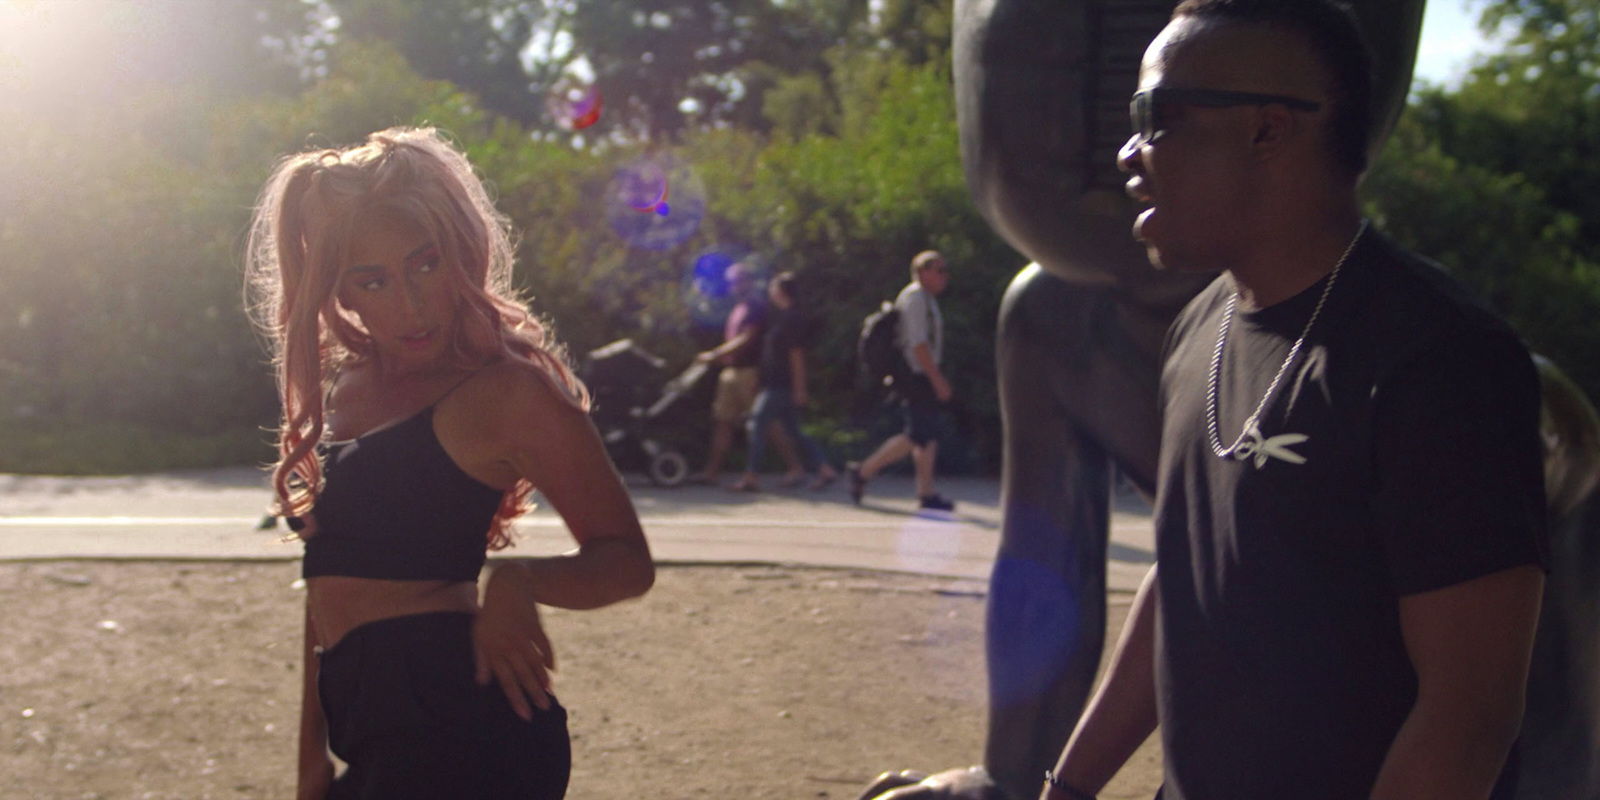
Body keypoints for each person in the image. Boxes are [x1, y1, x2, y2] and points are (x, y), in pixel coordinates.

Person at [1040, 2, 1548, 799]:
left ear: (1270, 131)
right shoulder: (1197, 328)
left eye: (1157, 115)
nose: (1129, 150)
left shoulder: (1443, 361)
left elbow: (1469, 714)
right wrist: (1067, 788)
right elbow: (1182, 577)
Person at [245, 127, 655, 800]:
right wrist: (310, 765)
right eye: (373, 280)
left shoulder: (509, 390)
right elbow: (323, 593)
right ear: (341, 292)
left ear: (460, 254)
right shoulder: (346, 388)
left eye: (426, 265)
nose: (408, 304)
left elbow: (627, 562)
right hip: (368, 734)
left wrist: (518, 584)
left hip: (468, 734)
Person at [848, 250, 956, 512]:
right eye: (939, 270)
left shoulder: (926, 299)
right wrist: (937, 378)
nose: (945, 276)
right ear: (922, 272)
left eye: (945, 270)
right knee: (918, 434)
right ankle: (863, 471)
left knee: (926, 434)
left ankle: (926, 493)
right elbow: (918, 344)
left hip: (921, 372)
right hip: (914, 373)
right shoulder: (915, 299)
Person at [690, 262, 804, 487]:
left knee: (767, 423)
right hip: (730, 372)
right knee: (723, 421)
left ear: (749, 282)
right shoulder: (738, 308)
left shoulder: (755, 305)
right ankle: (711, 472)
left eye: (739, 281)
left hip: (749, 373)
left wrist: (715, 354)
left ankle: (795, 467)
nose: (735, 285)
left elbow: (747, 338)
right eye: (732, 282)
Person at [729, 272, 840, 492]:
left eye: (772, 288)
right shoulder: (781, 316)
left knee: (758, 424)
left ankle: (751, 476)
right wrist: (759, 379)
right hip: (773, 383)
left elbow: (796, 355)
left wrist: (800, 388)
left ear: (781, 291)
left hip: (782, 385)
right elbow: (771, 353)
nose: (770, 292)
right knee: (795, 432)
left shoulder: (793, 318)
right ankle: (825, 470)